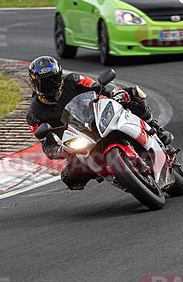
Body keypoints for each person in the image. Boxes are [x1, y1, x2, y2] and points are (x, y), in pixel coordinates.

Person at [25, 55, 174, 190]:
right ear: (35, 84)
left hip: (97, 118)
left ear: (60, 76)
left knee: (133, 94)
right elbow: (47, 146)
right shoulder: (34, 114)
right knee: (69, 176)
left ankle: (156, 127)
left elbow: (97, 86)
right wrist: (62, 151)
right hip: (78, 140)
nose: (51, 85)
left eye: (54, 80)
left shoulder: (73, 79)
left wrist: (115, 92)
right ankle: (117, 176)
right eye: (44, 83)